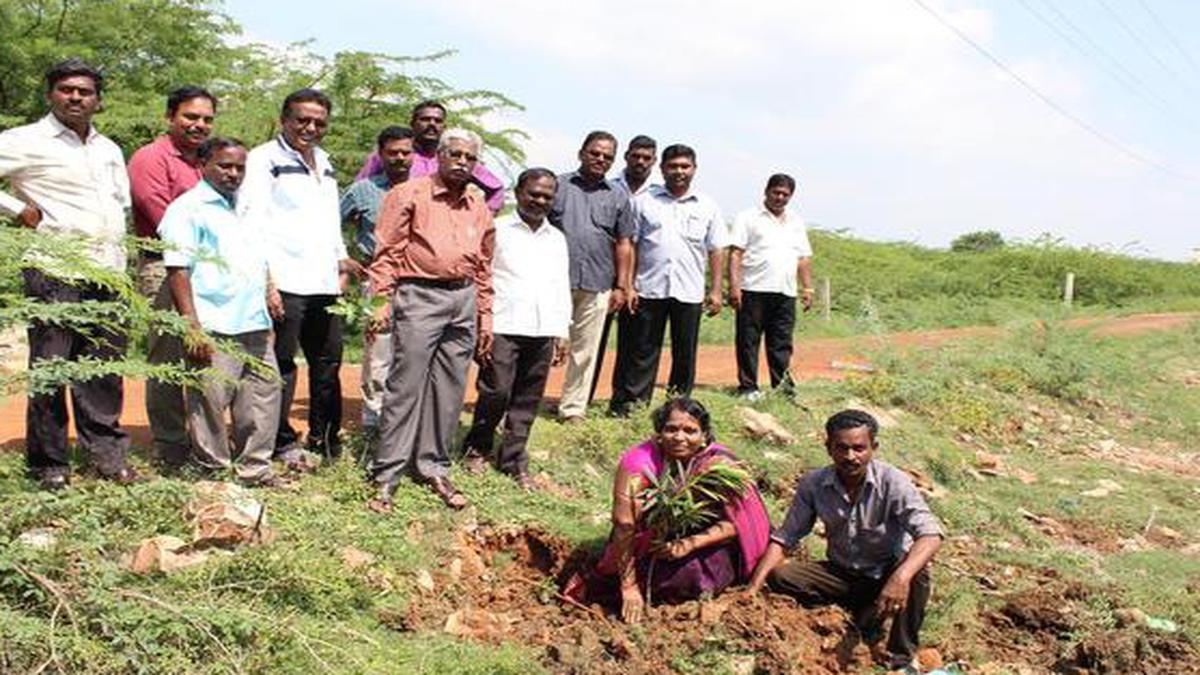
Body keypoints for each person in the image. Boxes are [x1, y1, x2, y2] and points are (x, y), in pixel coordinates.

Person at [0, 58, 139, 490]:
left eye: (85, 91)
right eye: (66, 89)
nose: (75, 97)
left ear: (98, 100)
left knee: (102, 369)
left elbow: (121, 208)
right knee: (53, 369)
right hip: (54, 269)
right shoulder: (24, 140)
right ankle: (50, 464)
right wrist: (15, 209)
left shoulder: (109, 149)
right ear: (50, 95)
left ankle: (107, 456)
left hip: (109, 273)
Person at [745, 409, 943, 671]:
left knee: (918, 573)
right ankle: (849, 618)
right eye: (842, 448)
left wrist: (901, 577)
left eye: (859, 448)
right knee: (782, 576)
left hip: (885, 573)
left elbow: (930, 534)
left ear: (874, 447)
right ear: (829, 447)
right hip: (841, 574)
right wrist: (752, 590)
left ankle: (900, 657)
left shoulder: (893, 482)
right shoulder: (814, 483)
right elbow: (786, 537)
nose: (851, 457)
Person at [366, 128, 495, 511]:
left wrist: (484, 317)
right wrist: (380, 302)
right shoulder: (409, 194)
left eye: (469, 158)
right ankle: (387, 474)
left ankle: (433, 465)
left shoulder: (477, 204)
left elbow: (485, 266)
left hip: (464, 298)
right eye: (454, 154)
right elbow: (387, 252)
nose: (461, 162)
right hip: (419, 295)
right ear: (439, 155)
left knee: (450, 390)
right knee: (406, 386)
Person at [563, 397, 771, 624]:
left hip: (705, 538)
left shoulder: (719, 465)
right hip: (647, 541)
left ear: (704, 437)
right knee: (608, 583)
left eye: (690, 431)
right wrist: (629, 586)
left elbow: (740, 524)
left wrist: (688, 545)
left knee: (692, 579)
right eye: (671, 429)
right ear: (659, 433)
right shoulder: (639, 463)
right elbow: (624, 525)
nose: (679, 438)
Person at [239, 88, 360, 466]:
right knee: (281, 365)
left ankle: (325, 440)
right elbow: (251, 222)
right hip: (284, 282)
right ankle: (279, 441)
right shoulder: (263, 159)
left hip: (323, 283)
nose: (310, 128)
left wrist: (341, 262)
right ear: (284, 120)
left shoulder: (324, 161)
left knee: (328, 363)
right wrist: (266, 281)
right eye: (302, 120)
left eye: (319, 122)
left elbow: (329, 220)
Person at [159, 138, 287, 487]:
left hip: (254, 322)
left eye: (239, 167)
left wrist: (269, 292)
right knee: (210, 402)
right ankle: (212, 472)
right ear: (204, 164)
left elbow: (257, 257)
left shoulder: (246, 206)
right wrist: (192, 326)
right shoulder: (188, 209)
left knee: (262, 396)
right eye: (225, 166)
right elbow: (178, 269)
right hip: (214, 323)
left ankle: (255, 470)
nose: (233, 174)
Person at [128, 85, 218, 468]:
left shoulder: (207, 161)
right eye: (191, 117)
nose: (199, 125)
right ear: (170, 117)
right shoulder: (151, 158)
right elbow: (165, 219)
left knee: (204, 351)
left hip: (209, 268)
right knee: (167, 355)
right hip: (162, 265)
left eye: (207, 119)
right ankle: (170, 443)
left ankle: (204, 439)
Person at [462, 168, 570, 487]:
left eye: (547, 196)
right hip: (503, 323)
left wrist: (562, 330)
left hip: (542, 328)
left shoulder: (557, 238)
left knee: (528, 397)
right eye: (533, 193)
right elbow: (481, 278)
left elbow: (559, 285)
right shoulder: (497, 229)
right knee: (495, 390)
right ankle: (477, 448)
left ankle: (513, 459)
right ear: (518, 192)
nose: (539, 200)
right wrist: (482, 321)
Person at [609, 144, 729, 416]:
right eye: (673, 166)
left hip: (689, 291)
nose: (679, 172)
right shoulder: (644, 201)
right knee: (642, 352)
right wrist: (627, 285)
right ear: (662, 168)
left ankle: (679, 408)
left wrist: (716, 290)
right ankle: (632, 407)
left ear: (694, 169)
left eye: (684, 166)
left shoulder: (708, 206)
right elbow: (631, 245)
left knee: (684, 353)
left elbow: (716, 249)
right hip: (648, 289)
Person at [548, 131, 634, 424]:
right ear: (581, 152)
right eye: (595, 153)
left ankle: (572, 409)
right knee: (541, 346)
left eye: (607, 156)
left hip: (598, 282)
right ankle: (524, 401)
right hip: (553, 280)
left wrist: (622, 286)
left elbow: (624, 243)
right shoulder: (557, 185)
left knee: (585, 350)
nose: (600, 159)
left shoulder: (619, 196)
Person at [340, 125, 415, 434]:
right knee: (379, 350)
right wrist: (344, 259)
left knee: (413, 349)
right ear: (380, 154)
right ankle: (374, 421)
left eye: (405, 152)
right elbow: (329, 224)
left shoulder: (424, 189)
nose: (400, 158)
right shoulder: (362, 191)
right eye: (393, 152)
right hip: (378, 280)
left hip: (418, 281)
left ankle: (406, 418)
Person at [729, 173, 814, 399]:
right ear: (766, 191)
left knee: (782, 342)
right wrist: (734, 287)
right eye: (776, 192)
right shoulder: (748, 217)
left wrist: (807, 288)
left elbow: (803, 257)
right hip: (753, 288)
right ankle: (748, 387)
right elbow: (736, 253)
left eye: (785, 194)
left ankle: (783, 388)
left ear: (791, 196)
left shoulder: (796, 221)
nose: (780, 197)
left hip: (785, 291)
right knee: (748, 340)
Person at [592, 135, 658, 405]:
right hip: (601, 275)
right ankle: (583, 397)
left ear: (654, 161)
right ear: (626, 156)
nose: (640, 162)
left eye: (647, 157)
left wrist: (629, 283)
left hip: (640, 282)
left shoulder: (659, 193)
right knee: (594, 340)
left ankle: (625, 401)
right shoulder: (608, 186)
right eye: (636, 156)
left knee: (635, 345)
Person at [356, 100, 505, 214]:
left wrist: (480, 218)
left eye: (438, 121)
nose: (432, 124)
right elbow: (360, 190)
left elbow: (496, 188)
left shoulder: (456, 158)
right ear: (413, 123)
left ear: (444, 127)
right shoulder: (392, 154)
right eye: (425, 119)